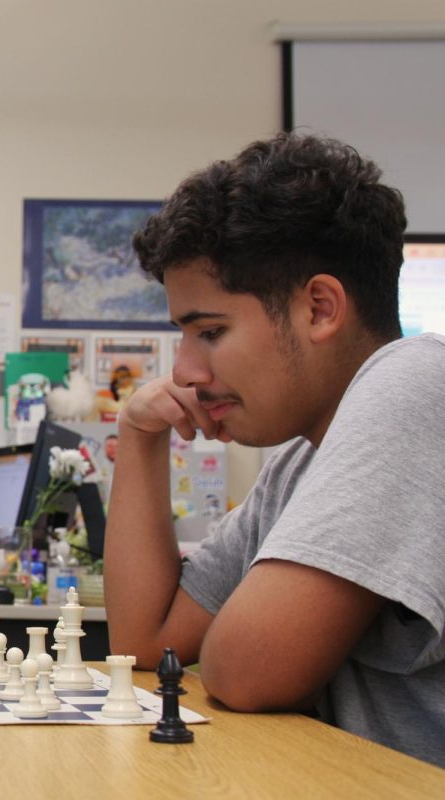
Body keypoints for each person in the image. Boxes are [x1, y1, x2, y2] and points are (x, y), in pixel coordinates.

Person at [103, 132, 445, 767]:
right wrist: (139, 438)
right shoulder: (298, 464)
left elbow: (247, 671)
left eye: (210, 331)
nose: (183, 373)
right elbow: (145, 646)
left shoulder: (418, 382)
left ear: (319, 308)